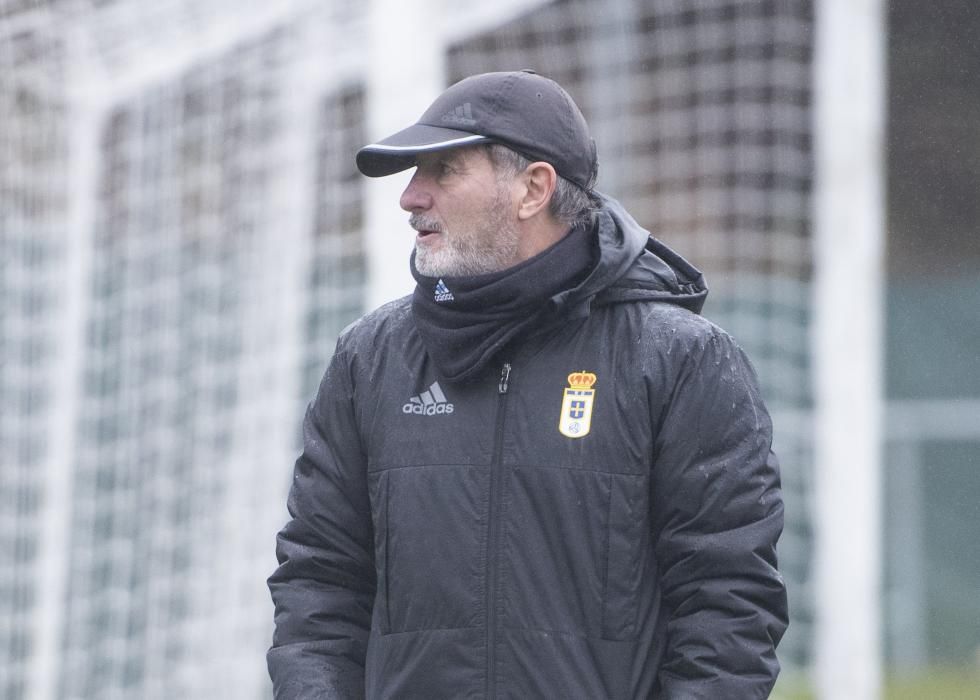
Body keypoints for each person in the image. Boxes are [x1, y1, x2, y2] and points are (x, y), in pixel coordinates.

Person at [267, 70, 788, 699]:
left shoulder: (680, 359)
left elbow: (728, 607)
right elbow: (319, 584)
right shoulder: (368, 360)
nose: (410, 197)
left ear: (533, 188)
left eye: (443, 171)